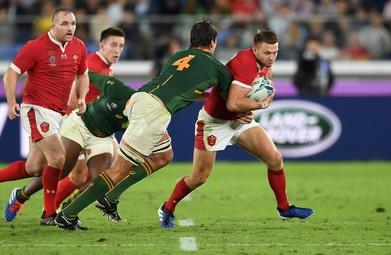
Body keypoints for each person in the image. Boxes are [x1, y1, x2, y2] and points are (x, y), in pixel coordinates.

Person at [54, 19, 273, 231]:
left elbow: (180, 87)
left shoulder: (178, 56)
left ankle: (109, 197)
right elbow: (230, 102)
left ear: (192, 39)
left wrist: (204, 97)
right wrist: (253, 105)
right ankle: (68, 214)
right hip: (153, 113)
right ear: (213, 43)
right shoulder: (218, 68)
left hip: (140, 99)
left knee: (163, 156)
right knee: (119, 170)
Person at [158, 30, 314, 228]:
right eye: (267, 52)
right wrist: (262, 105)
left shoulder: (265, 66)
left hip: (239, 121)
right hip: (215, 121)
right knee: (199, 177)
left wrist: (251, 112)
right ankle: (167, 208)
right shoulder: (245, 63)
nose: (272, 57)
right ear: (255, 49)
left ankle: (284, 208)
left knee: (275, 159)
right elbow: (233, 103)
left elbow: (256, 93)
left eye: (275, 52)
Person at [2, 27, 126, 224]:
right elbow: (70, 89)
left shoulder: (104, 66)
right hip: (75, 124)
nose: (117, 50)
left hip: (94, 127)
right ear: (101, 45)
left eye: (120, 46)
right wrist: (79, 104)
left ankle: (46, 207)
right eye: (113, 45)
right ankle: (47, 208)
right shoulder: (92, 64)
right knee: (57, 170)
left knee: (49, 169)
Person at [1, 8, 89, 224]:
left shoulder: (79, 46)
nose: (70, 28)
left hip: (58, 113)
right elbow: (11, 73)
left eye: (73, 23)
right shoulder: (36, 46)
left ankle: (20, 195)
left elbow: (82, 75)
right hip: (36, 109)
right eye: (65, 24)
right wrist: (12, 102)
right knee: (58, 157)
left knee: (35, 168)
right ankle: (49, 214)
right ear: (53, 26)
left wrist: (82, 97)